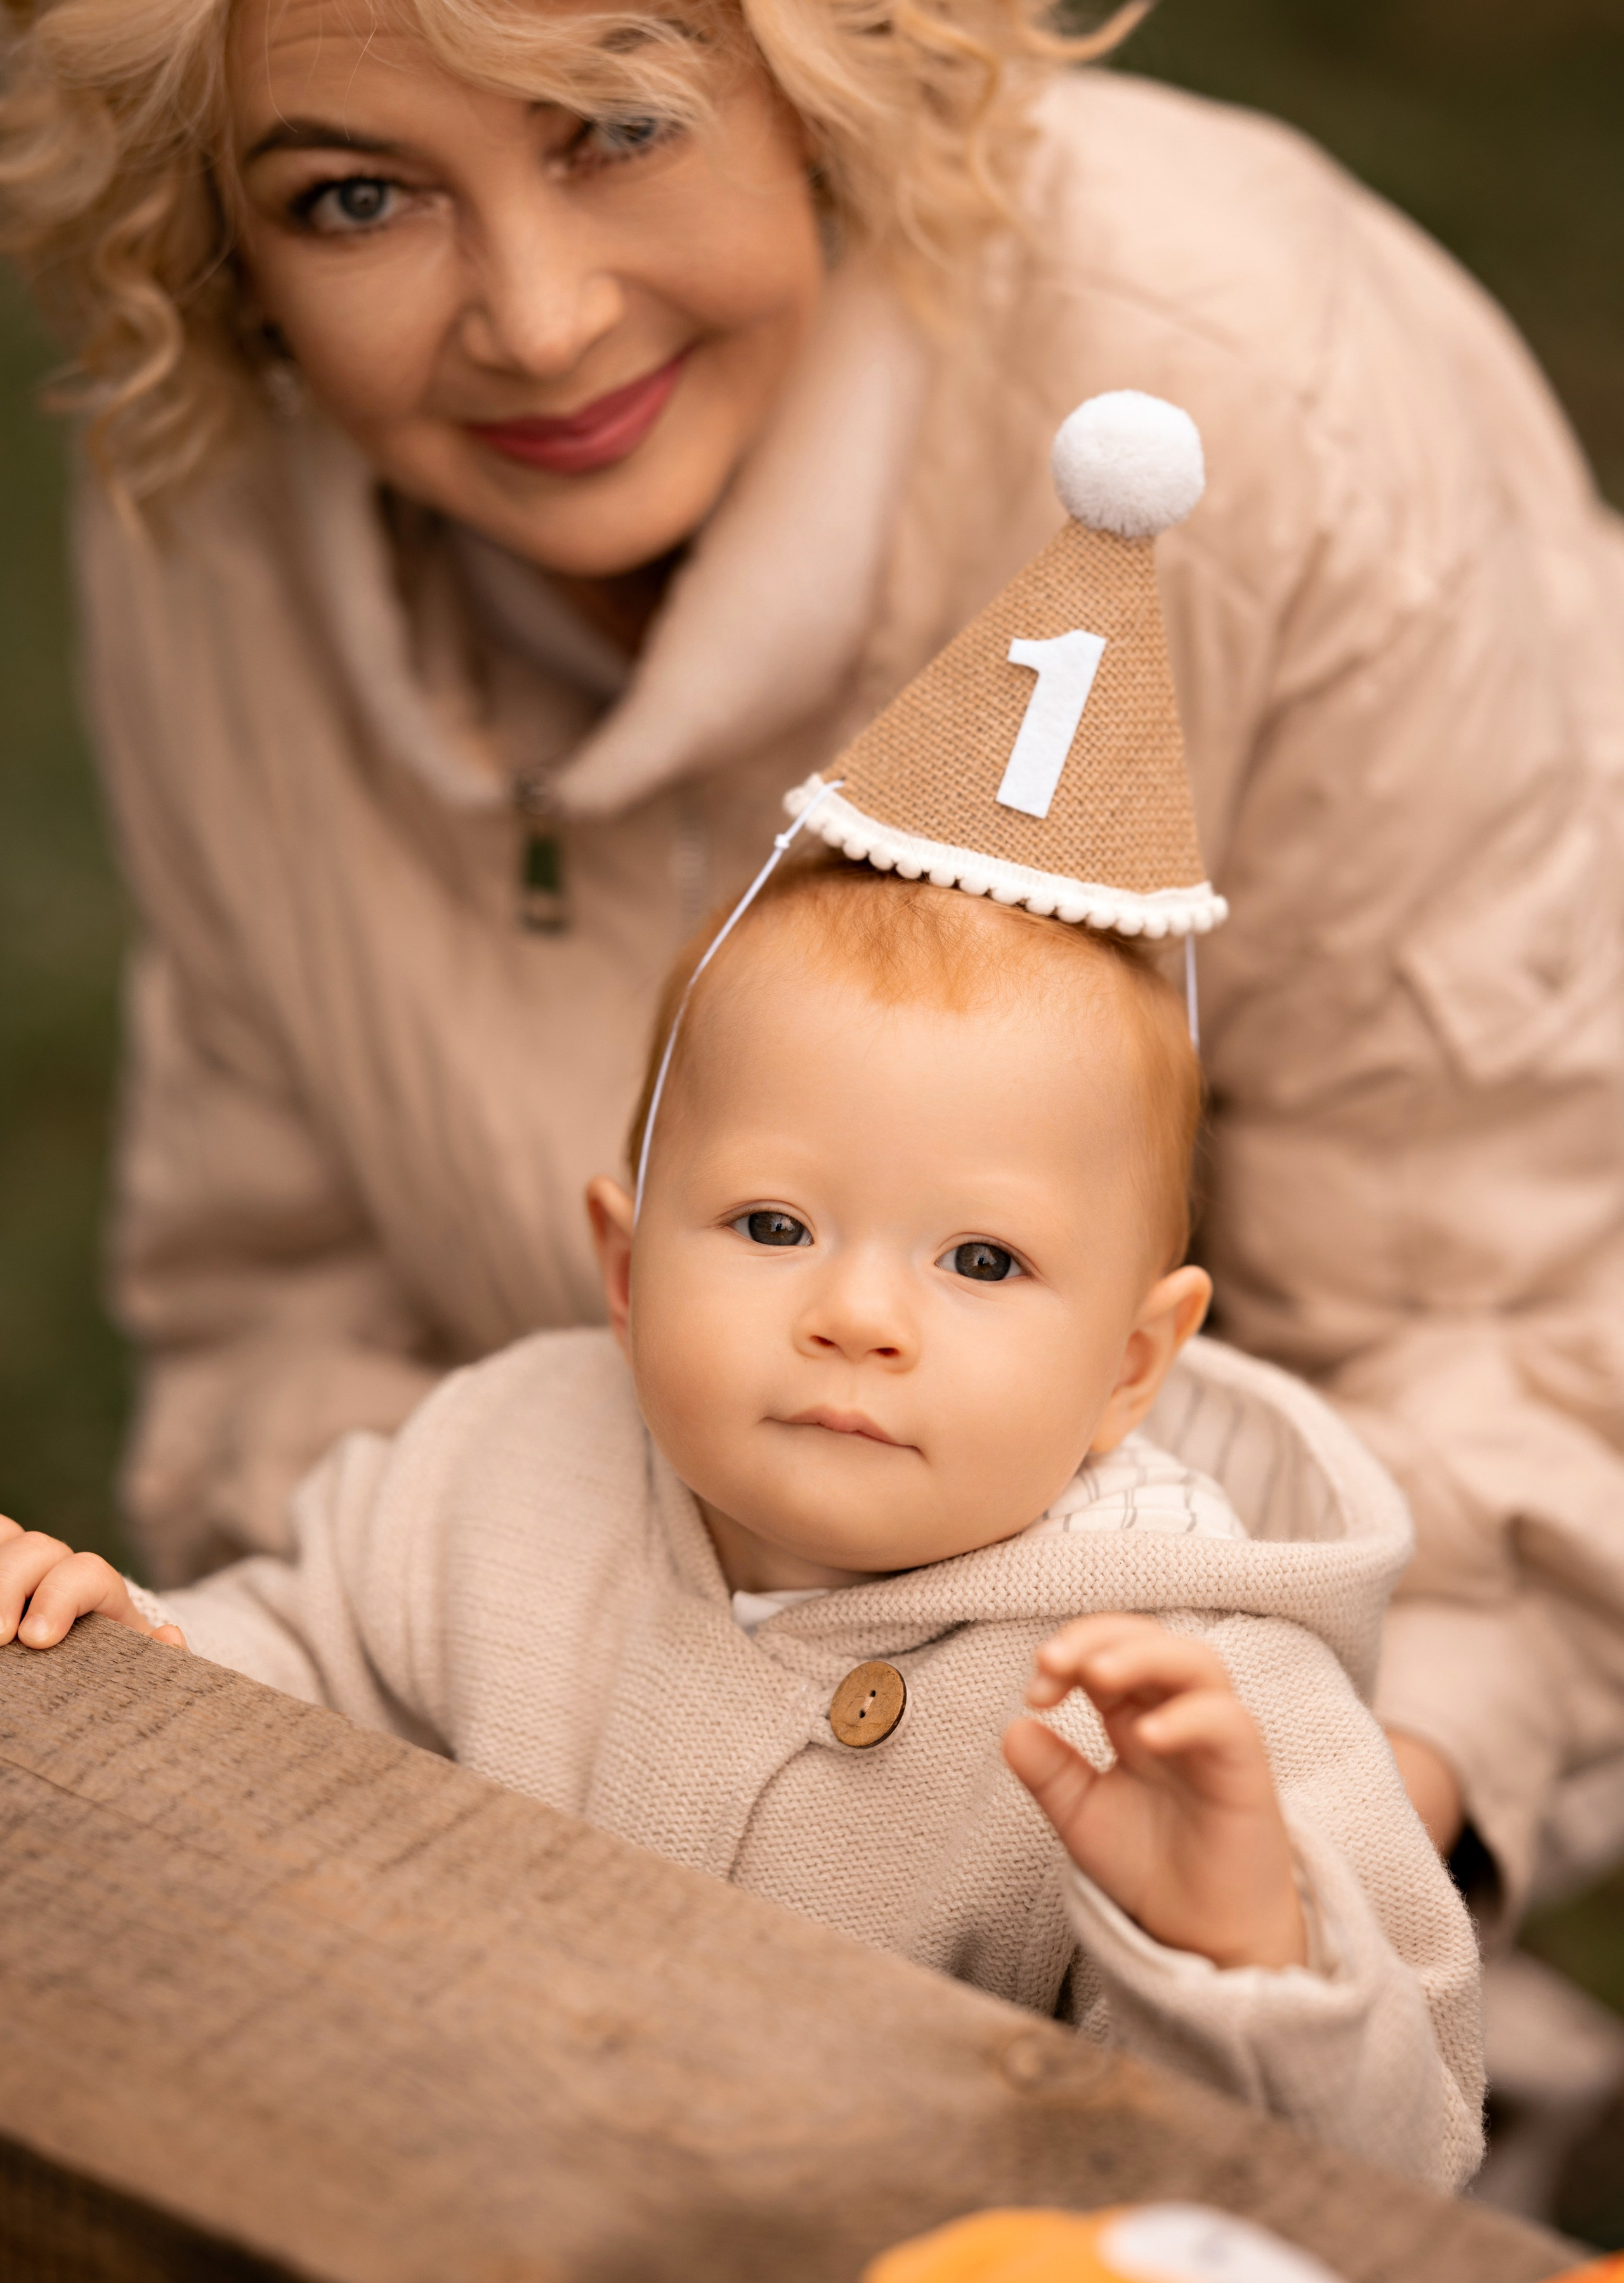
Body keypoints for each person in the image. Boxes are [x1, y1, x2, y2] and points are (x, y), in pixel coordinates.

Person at [1, 0, 1621, 1931]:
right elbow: (279, 1297)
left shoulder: (1281, 403)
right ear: (218, 246)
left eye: (618, 119)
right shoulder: (212, 505)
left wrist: (1287, 1886)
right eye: (355, 194)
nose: (537, 318)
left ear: (829, 64)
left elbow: (1524, 1348)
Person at [0, 416, 1484, 2187]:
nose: (859, 1314)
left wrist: (1244, 1955)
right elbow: (304, 1685)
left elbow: (1380, 2192)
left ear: (1134, 1365)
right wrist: (134, 1663)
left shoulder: (1200, 1711)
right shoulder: (496, 1468)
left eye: (984, 1262)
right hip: (427, 2206)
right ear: (626, 1268)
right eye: (773, 1224)